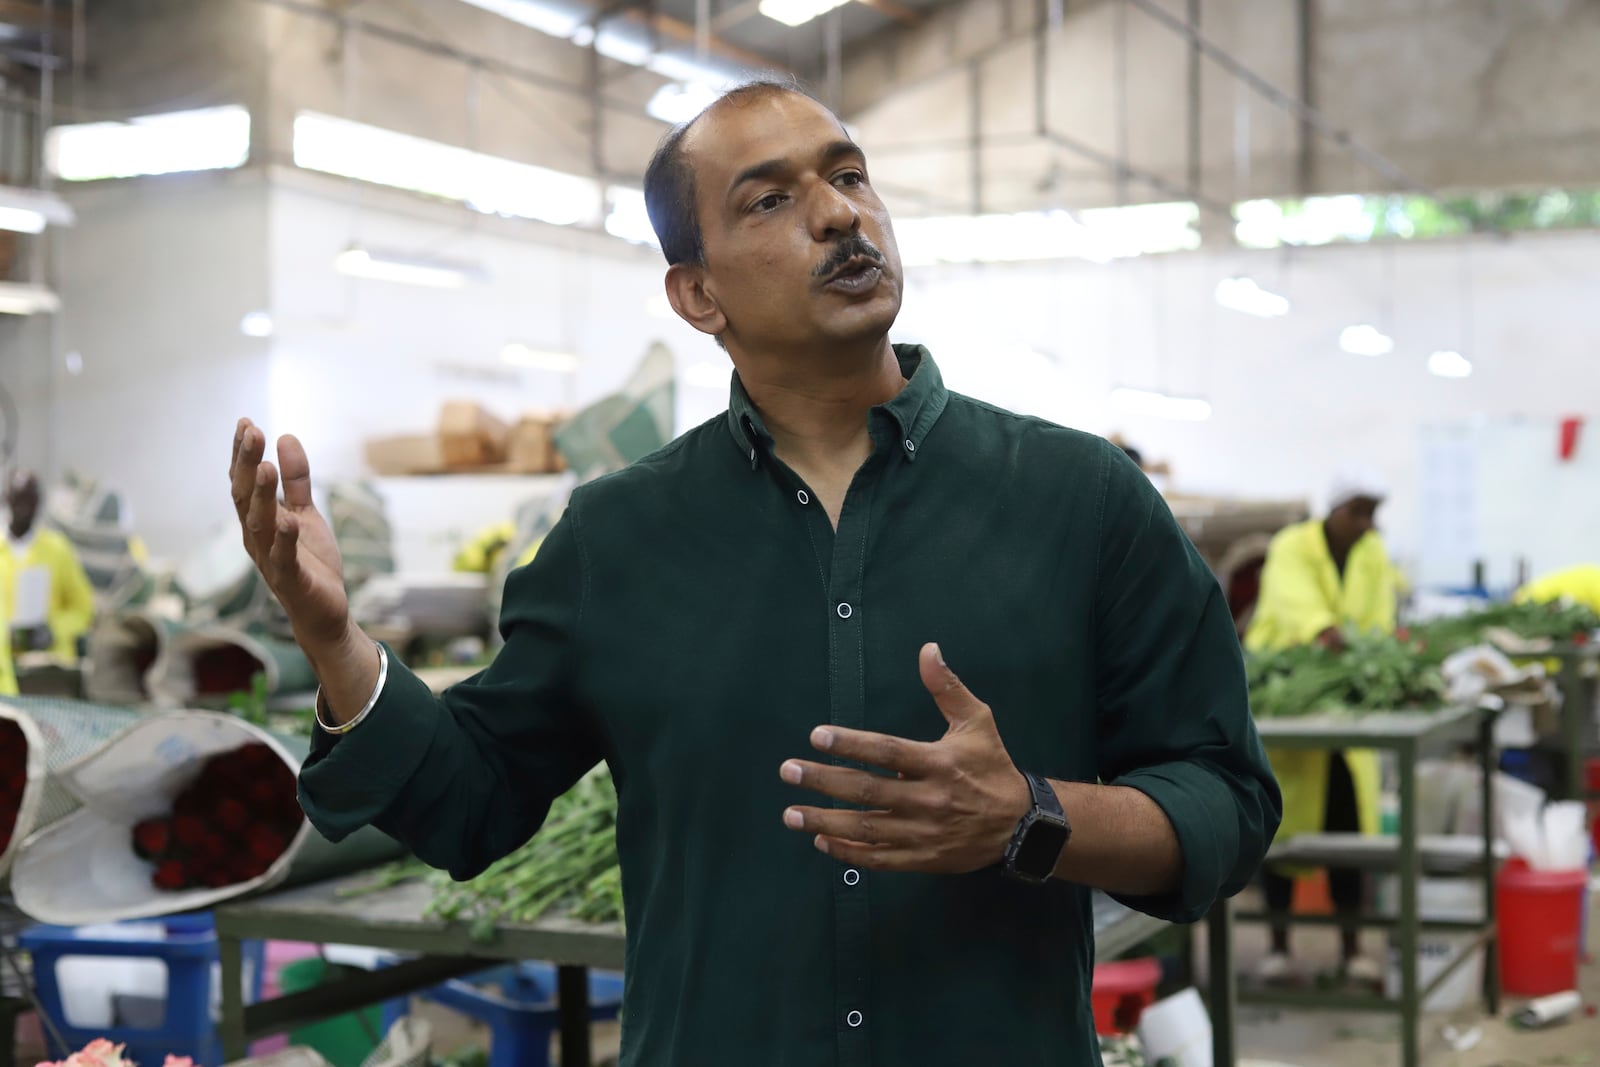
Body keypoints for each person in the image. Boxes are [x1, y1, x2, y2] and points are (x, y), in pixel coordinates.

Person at [230, 80, 1280, 1064]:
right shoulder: (618, 538)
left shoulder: (1079, 498)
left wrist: (1032, 816)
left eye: (849, 175)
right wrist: (333, 641)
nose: (837, 215)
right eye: (771, 199)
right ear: (696, 292)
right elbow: (468, 804)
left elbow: (1223, 799)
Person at [1245, 464, 1399, 984]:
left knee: (1346, 829)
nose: (1365, 523)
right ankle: (1279, 949)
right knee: (1283, 831)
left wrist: (1367, 655)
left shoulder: (1373, 554)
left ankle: (1353, 951)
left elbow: (1379, 614)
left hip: (1342, 703)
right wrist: (1326, 633)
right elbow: (1294, 607)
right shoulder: (1292, 545)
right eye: (1357, 511)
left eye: (1371, 513)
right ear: (1333, 510)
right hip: (1288, 697)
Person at [2, 471, 96, 667]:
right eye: (18, 498)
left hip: (49, 666)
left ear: (39, 503)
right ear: (6, 498)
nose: (24, 508)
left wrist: (53, 631)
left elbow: (83, 608)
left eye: (30, 500)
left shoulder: (57, 550)